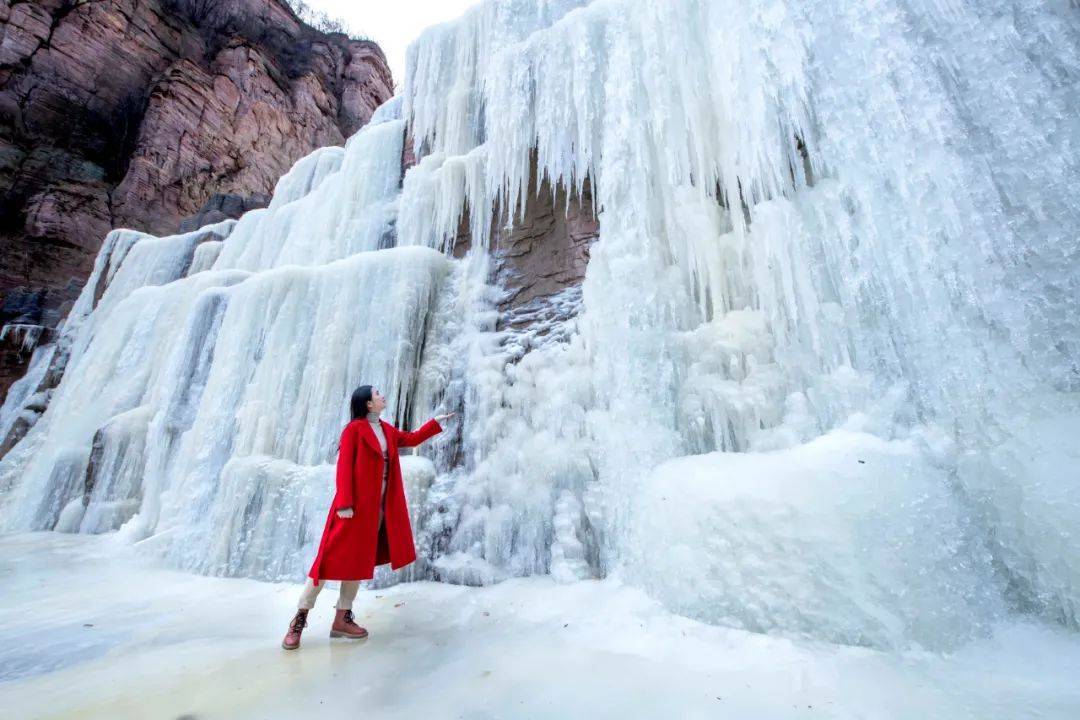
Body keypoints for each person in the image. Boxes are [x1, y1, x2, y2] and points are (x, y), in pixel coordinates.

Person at [282, 385, 454, 650]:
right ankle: (299, 618)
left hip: (377, 510)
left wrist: (434, 424)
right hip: (351, 509)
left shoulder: (385, 429)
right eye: (376, 394)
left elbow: (410, 439)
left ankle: (342, 617)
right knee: (325, 564)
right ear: (367, 404)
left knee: (358, 563)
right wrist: (345, 503)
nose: (382, 396)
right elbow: (344, 467)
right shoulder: (353, 430)